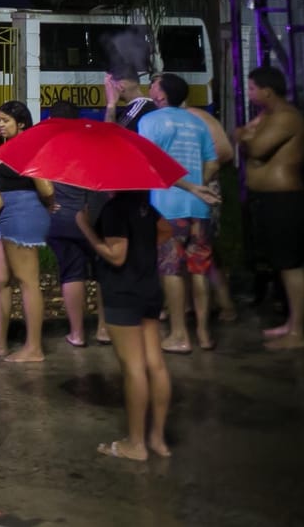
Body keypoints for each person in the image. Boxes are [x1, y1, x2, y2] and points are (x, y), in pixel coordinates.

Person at [79, 188, 170, 461]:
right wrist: (142, 248)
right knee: (155, 364)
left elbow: (116, 255)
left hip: (123, 294)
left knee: (133, 368)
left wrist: (86, 228)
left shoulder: (115, 209)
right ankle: (157, 439)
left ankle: (136, 443)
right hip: (149, 289)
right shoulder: (144, 206)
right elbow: (165, 230)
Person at [138, 74, 221, 353]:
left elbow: (152, 163)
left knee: (171, 269)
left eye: (153, 85)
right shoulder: (197, 122)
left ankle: (179, 334)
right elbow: (212, 160)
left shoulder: (150, 121)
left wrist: (187, 186)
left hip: (166, 208)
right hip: (199, 208)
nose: (149, 89)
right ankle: (204, 333)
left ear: (161, 95)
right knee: (199, 269)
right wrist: (199, 185)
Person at [237, 65, 304, 349]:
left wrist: (245, 136)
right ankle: (292, 323)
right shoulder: (267, 116)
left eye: (253, 88)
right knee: (283, 263)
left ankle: (298, 333)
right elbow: (246, 137)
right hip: (269, 201)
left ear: (267, 91)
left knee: (292, 264)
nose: (250, 92)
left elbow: (256, 148)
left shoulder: (286, 117)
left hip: (286, 201)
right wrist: (246, 134)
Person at [0, 101, 53, 363]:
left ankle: (34, 347)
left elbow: (45, 188)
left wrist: (48, 203)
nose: (0, 124)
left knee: (27, 281)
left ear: (21, 123)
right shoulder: (5, 149)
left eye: (5, 120)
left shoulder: (29, 146)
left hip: (23, 215)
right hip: (5, 217)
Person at [182, 87, 241, 321]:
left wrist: (200, 179)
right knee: (186, 252)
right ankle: (191, 307)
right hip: (189, 192)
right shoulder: (176, 120)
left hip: (202, 192)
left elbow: (225, 153)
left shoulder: (198, 117)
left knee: (202, 251)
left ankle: (224, 306)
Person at [43, 100, 96, 347]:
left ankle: (77, 333)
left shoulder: (48, 147)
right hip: (87, 217)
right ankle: (105, 329)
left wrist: (48, 203)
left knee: (72, 274)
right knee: (102, 275)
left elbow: (41, 184)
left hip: (60, 218)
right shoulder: (87, 146)